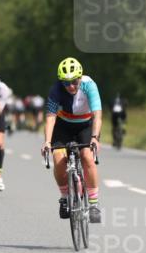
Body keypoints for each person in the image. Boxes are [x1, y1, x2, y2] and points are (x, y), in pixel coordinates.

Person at [40, 57, 103, 223]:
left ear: (80, 77)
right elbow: (51, 118)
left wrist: (95, 138)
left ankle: (94, 204)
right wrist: (47, 142)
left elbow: (97, 115)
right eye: (66, 83)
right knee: (58, 158)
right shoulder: (56, 89)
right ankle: (65, 197)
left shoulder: (89, 85)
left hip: (86, 125)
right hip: (63, 126)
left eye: (74, 82)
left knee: (87, 156)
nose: (71, 86)